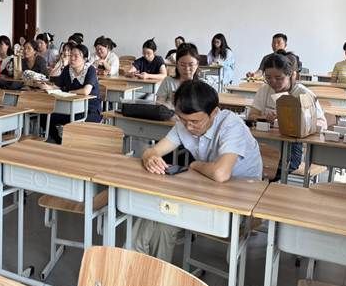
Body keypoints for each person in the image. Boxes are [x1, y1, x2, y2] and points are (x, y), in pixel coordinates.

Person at [134, 80, 262, 261]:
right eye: (182, 119)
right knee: (159, 215)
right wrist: (149, 157)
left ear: (214, 113)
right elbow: (153, 151)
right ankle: (150, 269)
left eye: (195, 121)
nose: (188, 127)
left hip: (240, 204)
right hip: (209, 191)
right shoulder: (185, 123)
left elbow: (220, 174)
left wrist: (195, 165)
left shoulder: (231, 125)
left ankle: (137, 260)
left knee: (161, 213)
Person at [248, 52, 326, 177]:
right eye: (268, 77)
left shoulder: (304, 94)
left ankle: (265, 183)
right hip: (265, 142)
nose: (273, 82)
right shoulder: (265, 89)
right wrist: (265, 118)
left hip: (292, 145)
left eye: (279, 78)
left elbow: (322, 123)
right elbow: (252, 115)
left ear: (290, 74)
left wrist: (294, 119)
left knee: (275, 168)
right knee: (246, 163)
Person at [44, 44, 101, 142]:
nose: (72, 58)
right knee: (45, 116)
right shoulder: (67, 69)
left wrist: (69, 92)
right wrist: (47, 87)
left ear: (84, 59)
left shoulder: (90, 69)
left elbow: (85, 91)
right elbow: (57, 86)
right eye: (71, 55)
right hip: (70, 108)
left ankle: (73, 143)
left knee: (75, 121)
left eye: (76, 56)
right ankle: (59, 141)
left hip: (90, 109)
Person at [156, 43, 211, 108]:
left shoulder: (202, 85)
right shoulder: (168, 81)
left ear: (197, 64)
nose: (187, 69)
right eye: (182, 65)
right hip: (169, 114)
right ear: (177, 64)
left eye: (191, 65)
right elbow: (158, 104)